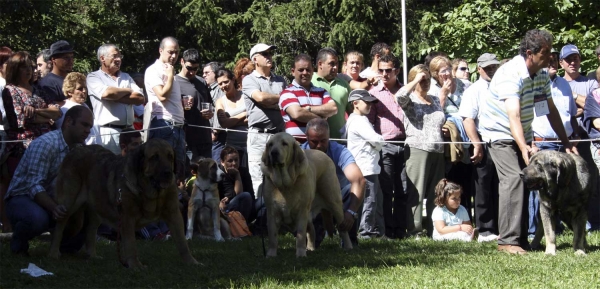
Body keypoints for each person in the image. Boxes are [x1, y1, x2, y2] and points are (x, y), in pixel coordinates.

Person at [479, 29, 577, 255]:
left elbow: (549, 110)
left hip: (523, 131)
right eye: (546, 53)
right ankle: (507, 242)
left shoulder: (541, 75)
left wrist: (567, 141)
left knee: (529, 179)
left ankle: (520, 239)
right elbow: (512, 115)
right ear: (530, 53)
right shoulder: (510, 74)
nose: (550, 57)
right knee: (514, 178)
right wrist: (523, 147)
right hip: (500, 132)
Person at [4, 106, 93, 255]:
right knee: (37, 218)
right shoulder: (46, 144)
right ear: (68, 122)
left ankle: (66, 248)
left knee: (88, 210)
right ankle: (18, 244)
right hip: (21, 197)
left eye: (90, 126)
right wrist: (54, 208)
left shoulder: (80, 149)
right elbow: (33, 185)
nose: (88, 130)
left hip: (53, 197)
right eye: (84, 125)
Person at [528, 49, 579, 237]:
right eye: (548, 60)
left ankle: (556, 227)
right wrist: (531, 142)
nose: (552, 63)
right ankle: (534, 231)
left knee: (561, 187)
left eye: (555, 60)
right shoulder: (535, 84)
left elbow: (570, 116)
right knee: (539, 189)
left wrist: (572, 140)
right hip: (542, 144)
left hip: (563, 144)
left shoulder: (564, 84)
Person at [394, 64, 446, 237]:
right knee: (417, 192)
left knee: (436, 192)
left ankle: (434, 228)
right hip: (417, 149)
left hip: (438, 150)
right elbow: (399, 96)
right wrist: (417, 78)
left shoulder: (435, 99)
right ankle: (415, 229)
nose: (426, 83)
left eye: (428, 79)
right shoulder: (410, 99)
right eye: (422, 79)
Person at [301, 118, 365, 247]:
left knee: (350, 190)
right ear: (306, 137)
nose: (319, 145)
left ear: (329, 136)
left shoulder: (340, 151)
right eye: (314, 141)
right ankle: (309, 238)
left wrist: (351, 211)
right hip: (310, 201)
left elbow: (358, 180)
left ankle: (349, 238)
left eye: (323, 141)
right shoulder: (299, 154)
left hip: (337, 198)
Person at [458, 52, 501, 242]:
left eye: (494, 66)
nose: (492, 70)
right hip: (482, 139)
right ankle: (485, 229)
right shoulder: (473, 90)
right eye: (488, 67)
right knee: (482, 186)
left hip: (502, 139)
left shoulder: (503, 87)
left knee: (502, 185)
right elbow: (467, 118)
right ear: (479, 68)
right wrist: (476, 143)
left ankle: (502, 226)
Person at [366, 53, 408, 239]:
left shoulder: (406, 91)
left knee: (403, 189)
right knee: (385, 190)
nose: (384, 74)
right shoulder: (374, 94)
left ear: (397, 71)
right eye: (380, 70)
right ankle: (386, 231)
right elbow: (369, 122)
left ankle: (400, 230)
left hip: (406, 145)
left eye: (388, 70)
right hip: (385, 146)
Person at [242, 43, 287, 196]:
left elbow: (288, 104)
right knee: (259, 180)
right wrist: (279, 100)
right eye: (265, 54)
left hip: (279, 135)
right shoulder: (249, 80)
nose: (269, 57)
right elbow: (261, 98)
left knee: (281, 177)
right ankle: (262, 218)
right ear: (255, 59)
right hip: (258, 136)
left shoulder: (281, 80)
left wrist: (274, 102)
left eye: (270, 53)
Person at [87, 44, 144, 154]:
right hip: (109, 132)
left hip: (129, 132)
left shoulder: (126, 76)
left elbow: (140, 98)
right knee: (111, 167)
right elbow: (107, 93)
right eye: (114, 56)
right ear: (102, 58)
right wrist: (128, 90)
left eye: (120, 56)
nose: (118, 59)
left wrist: (115, 97)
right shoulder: (93, 77)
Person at [144, 36, 186, 181]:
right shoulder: (153, 70)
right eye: (170, 52)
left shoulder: (170, 71)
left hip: (178, 127)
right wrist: (169, 76)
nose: (173, 56)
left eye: (176, 52)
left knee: (178, 173)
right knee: (161, 173)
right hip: (164, 125)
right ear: (160, 50)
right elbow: (162, 96)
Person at [345, 89, 384, 239]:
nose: (370, 105)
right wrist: (381, 141)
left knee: (365, 200)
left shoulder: (356, 119)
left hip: (364, 166)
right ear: (355, 103)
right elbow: (376, 140)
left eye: (371, 103)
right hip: (366, 168)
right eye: (366, 102)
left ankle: (363, 230)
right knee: (369, 200)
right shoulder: (359, 121)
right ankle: (366, 232)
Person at [279, 53, 337, 140]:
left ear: (313, 71)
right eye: (301, 70)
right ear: (293, 72)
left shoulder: (322, 91)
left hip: (318, 145)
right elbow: (297, 114)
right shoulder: (287, 92)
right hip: (296, 145)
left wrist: (308, 109)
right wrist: (321, 120)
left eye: (308, 70)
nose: (305, 73)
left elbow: (333, 109)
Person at [175, 48, 213, 161]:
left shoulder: (202, 82)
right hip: (187, 139)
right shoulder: (174, 82)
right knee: (189, 176)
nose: (192, 72)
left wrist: (210, 113)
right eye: (189, 68)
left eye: (195, 69)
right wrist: (181, 104)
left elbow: (209, 104)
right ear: (182, 61)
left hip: (205, 138)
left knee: (207, 175)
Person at [311, 48, 351, 139]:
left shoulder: (344, 84)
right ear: (320, 64)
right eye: (332, 64)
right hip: (315, 141)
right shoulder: (309, 82)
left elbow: (352, 112)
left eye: (337, 64)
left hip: (340, 141)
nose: (336, 67)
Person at [215, 68, 248, 167]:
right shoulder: (220, 102)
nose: (223, 86)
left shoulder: (246, 95)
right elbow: (224, 124)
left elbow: (254, 118)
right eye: (220, 84)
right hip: (232, 148)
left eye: (226, 82)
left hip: (251, 144)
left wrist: (231, 120)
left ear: (233, 80)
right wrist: (244, 114)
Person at [55, 72, 100, 144]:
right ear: (70, 91)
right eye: (80, 89)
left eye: (85, 88)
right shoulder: (64, 109)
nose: (84, 91)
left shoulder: (85, 106)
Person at [217, 146, 255, 223]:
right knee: (245, 196)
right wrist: (237, 175)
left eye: (236, 160)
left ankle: (258, 228)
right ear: (222, 162)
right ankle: (242, 226)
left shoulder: (244, 171)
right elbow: (237, 195)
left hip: (246, 206)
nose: (234, 163)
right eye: (230, 161)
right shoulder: (220, 174)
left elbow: (251, 194)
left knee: (263, 201)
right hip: (226, 208)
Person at [38, 40, 75, 105]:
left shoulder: (73, 80)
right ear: (53, 59)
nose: (70, 61)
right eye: (66, 58)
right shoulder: (47, 83)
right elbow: (50, 107)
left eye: (71, 57)